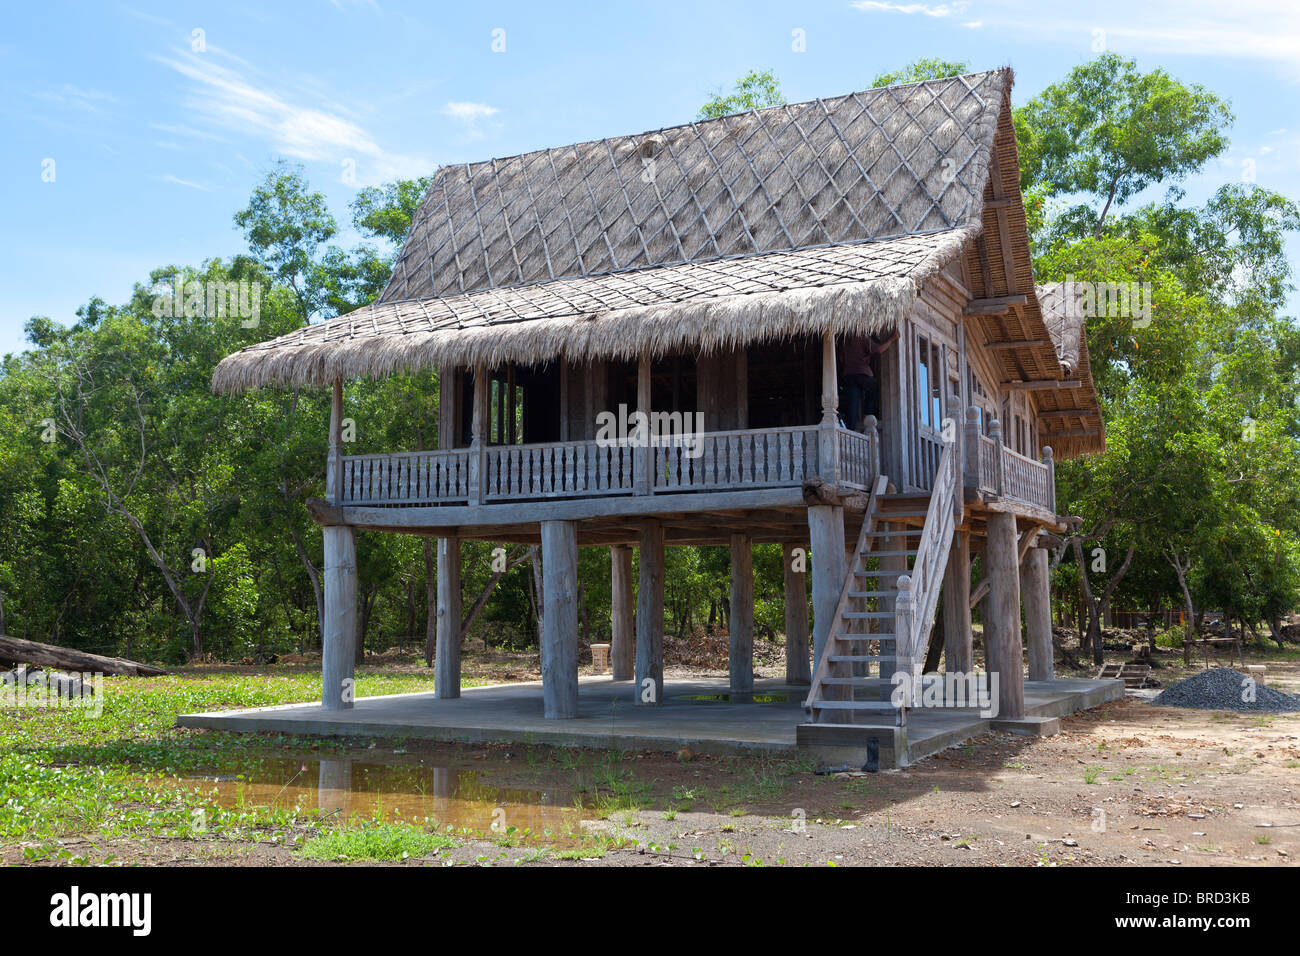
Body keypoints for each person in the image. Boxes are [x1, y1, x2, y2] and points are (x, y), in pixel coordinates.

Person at [839, 330, 898, 431]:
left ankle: (850, 429)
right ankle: (869, 413)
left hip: (848, 375)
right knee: (873, 387)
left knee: (853, 404)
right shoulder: (861, 337)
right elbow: (879, 350)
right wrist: (892, 339)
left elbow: (841, 359)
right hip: (862, 373)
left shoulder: (843, 340)